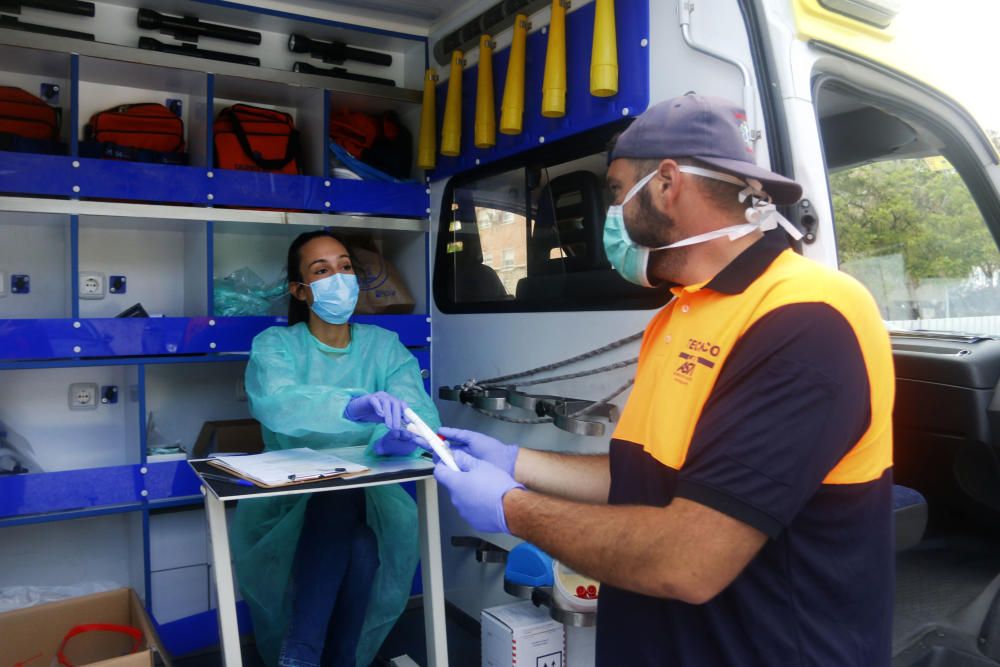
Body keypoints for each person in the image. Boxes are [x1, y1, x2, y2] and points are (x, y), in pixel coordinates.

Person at [429, 95, 895, 666]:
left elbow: (688, 560)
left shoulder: (806, 317)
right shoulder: (678, 315)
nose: (610, 212)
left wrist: (511, 508)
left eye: (615, 189)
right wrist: (513, 461)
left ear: (667, 183)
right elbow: (645, 477)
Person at [230, 229, 440, 667]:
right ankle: (320, 656)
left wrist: (396, 437)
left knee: (350, 513)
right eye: (321, 270)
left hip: (373, 501)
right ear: (300, 290)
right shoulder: (276, 346)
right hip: (288, 504)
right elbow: (279, 403)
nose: (338, 278)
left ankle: (302, 655)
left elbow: (421, 414)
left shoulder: (383, 347)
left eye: (345, 267)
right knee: (353, 535)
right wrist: (351, 407)